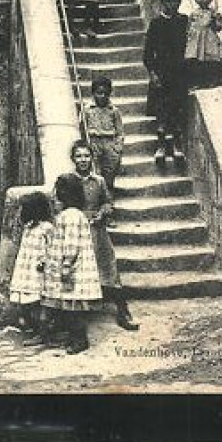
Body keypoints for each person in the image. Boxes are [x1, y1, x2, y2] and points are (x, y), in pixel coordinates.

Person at [71, 141, 139, 332]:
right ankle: (76, 321)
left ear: (91, 158)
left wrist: (102, 213)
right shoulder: (68, 180)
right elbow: (58, 204)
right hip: (77, 231)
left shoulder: (99, 181)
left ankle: (123, 311)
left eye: (86, 156)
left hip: (98, 230)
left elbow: (108, 202)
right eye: (79, 156)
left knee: (108, 268)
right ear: (73, 159)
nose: (83, 160)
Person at [41, 173, 102, 354]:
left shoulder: (72, 216)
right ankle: (72, 337)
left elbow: (71, 243)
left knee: (74, 309)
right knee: (69, 307)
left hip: (74, 268)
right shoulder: (68, 215)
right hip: (70, 267)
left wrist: (67, 265)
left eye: (58, 191)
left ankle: (80, 340)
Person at [143, 0, 189, 170]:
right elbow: (147, 54)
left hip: (179, 73)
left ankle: (177, 145)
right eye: (170, 1)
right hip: (161, 73)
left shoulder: (184, 21)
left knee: (177, 110)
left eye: (177, 1)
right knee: (161, 111)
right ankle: (161, 145)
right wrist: (153, 74)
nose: (174, 5)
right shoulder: (156, 24)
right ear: (163, 3)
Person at [8, 192, 54, 338]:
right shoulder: (28, 228)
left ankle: (42, 333)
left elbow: (52, 248)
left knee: (38, 302)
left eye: (24, 209)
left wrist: (44, 262)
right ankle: (33, 329)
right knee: (26, 302)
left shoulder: (46, 228)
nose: (21, 212)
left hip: (37, 271)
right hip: (25, 271)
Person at [83, 76, 124, 200]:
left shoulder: (114, 111)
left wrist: (118, 147)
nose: (102, 96)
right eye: (99, 93)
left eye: (105, 93)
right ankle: (98, 197)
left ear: (109, 94)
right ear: (93, 93)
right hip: (94, 141)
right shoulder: (87, 109)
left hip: (109, 143)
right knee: (96, 171)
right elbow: (82, 127)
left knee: (110, 170)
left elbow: (120, 131)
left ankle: (109, 193)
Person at [185, 0, 222, 89]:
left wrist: (214, 22)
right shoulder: (194, 13)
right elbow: (189, 27)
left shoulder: (213, 13)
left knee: (210, 60)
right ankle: (199, 81)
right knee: (197, 61)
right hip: (197, 40)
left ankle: (213, 80)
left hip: (209, 39)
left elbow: (218, 27)